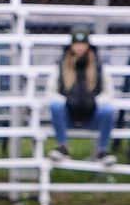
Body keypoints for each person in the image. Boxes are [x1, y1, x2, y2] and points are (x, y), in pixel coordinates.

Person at [47, 28, 117, 165]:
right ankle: (63, 147)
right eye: (76, 44)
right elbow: (50, 92)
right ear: (71, 45)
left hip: (92, 115)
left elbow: (109, 92)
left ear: (88, 45)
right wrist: (68, 101)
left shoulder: (99, 66)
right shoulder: (60, 65)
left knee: (108, 110)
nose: (79, 47)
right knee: (55, 106)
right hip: (68, 115)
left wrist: (93, 102)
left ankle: (102, 151)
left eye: (83, 44)